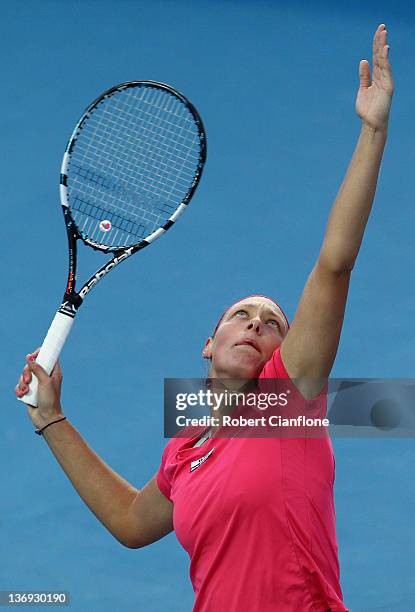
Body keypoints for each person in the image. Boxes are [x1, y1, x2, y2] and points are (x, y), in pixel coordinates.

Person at [15, 23, 393, 612]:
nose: (257, 324)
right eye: (241, 315)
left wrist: (372, 132)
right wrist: (52, 419)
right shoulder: (185, 449)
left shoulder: (289, 401)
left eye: (273, 323)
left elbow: (334, 265)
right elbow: (133, 524)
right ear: (208, 344)